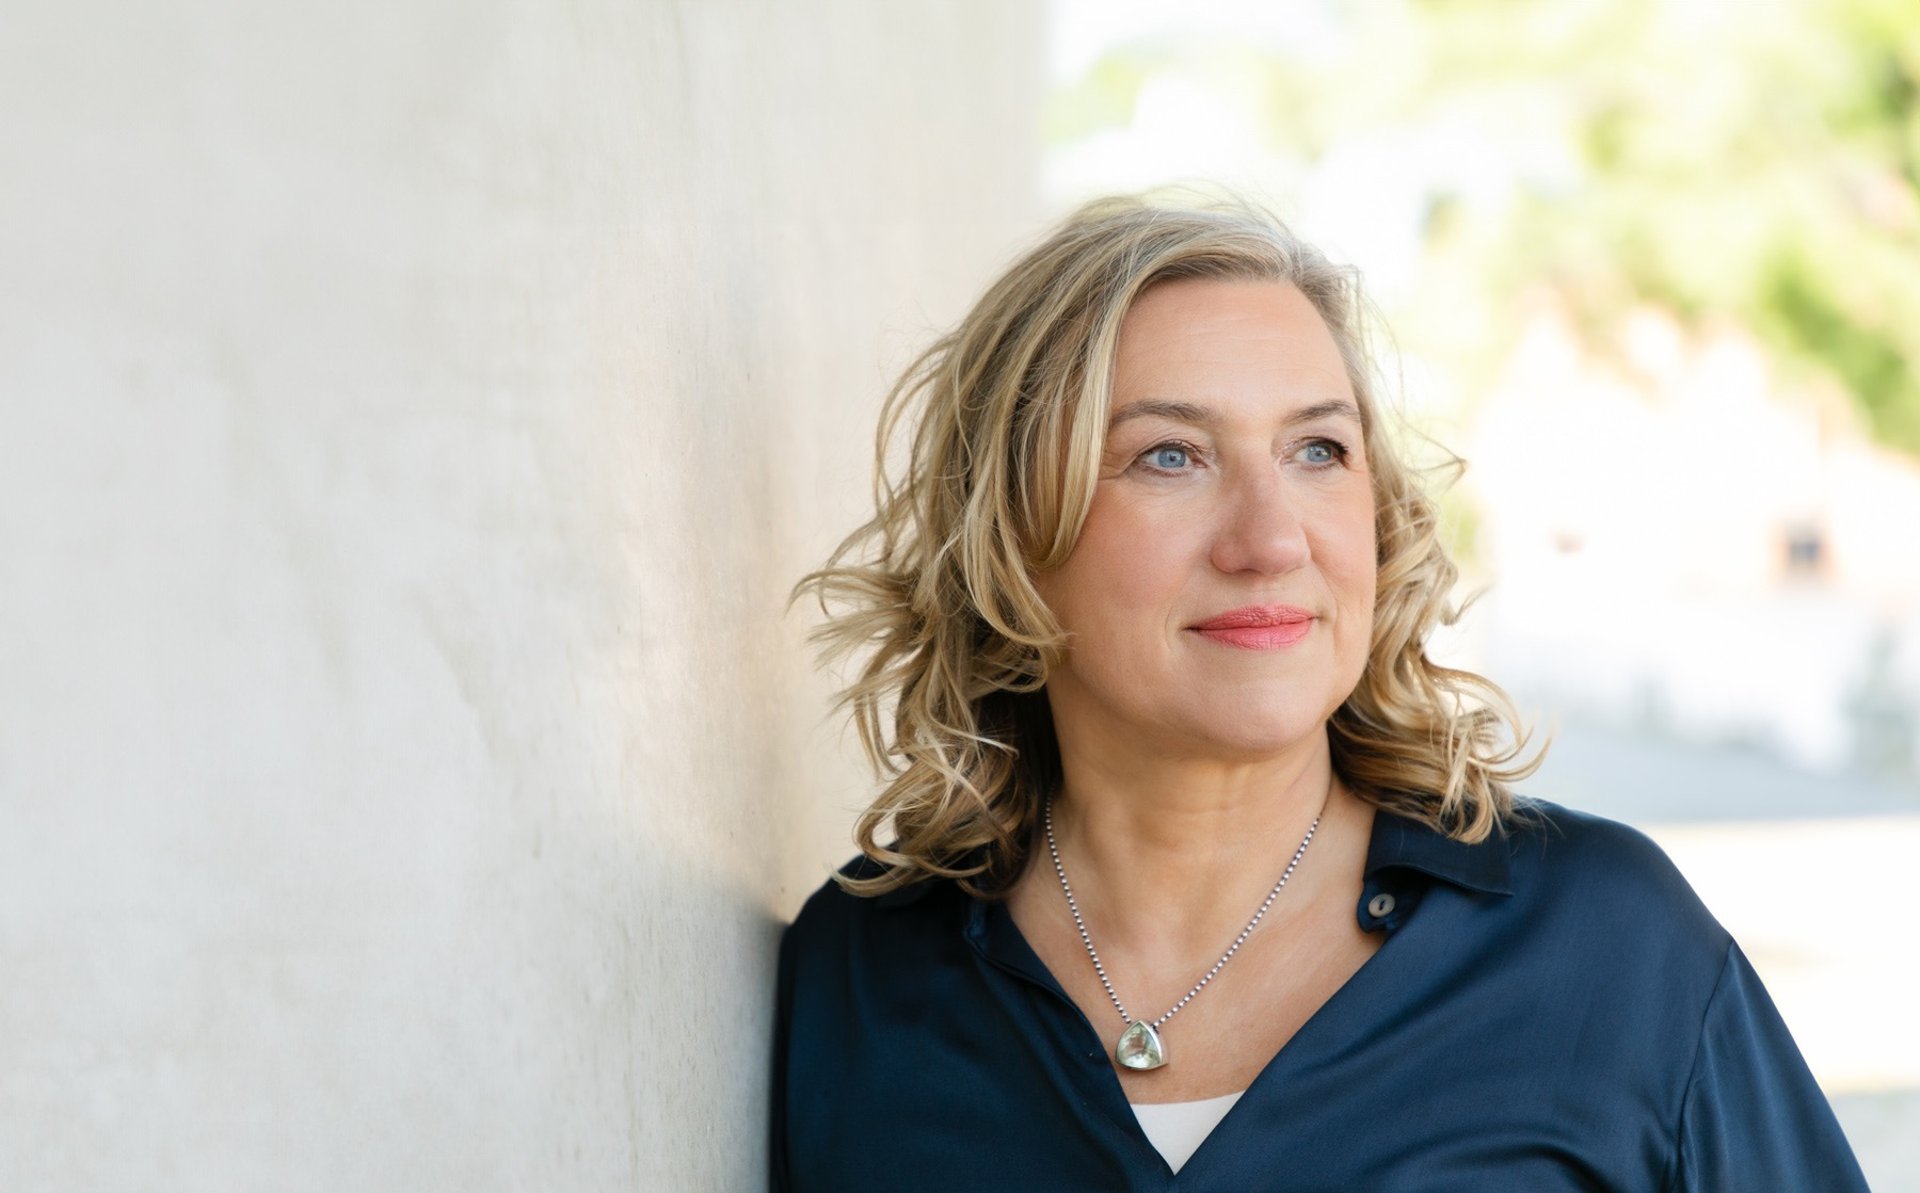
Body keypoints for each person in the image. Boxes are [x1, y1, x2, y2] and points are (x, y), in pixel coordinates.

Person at [773, 195, 1868, 1191]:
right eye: (1169, 456)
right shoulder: (860, 978)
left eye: (1317, 448)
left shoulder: (1606, 947)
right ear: (1011, 531)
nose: (1271, 538)